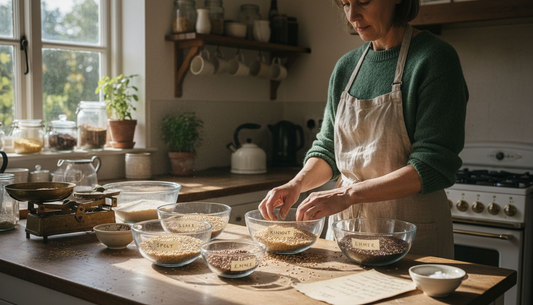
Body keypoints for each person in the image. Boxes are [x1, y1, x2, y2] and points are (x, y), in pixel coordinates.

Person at [258, 0, 468, 259]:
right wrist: (296, 184)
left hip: (409, 235)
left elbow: (432, 165)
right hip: (344, 232)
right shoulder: (347, 67)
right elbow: (328, 150)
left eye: (364, 1)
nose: (352, 15)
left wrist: (348, 194)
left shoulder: (434, 59)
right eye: (345, 3)